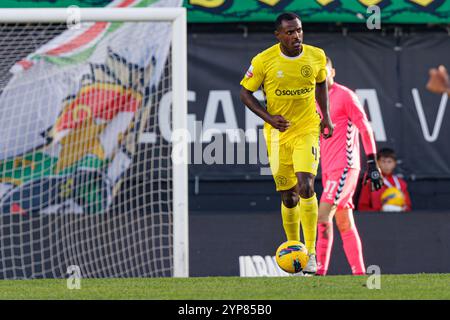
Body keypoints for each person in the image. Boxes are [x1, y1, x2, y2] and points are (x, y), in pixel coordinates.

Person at [239, 12, 334, 275]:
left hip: (306, 129)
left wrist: (326, 116)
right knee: (289, 196)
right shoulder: (263, 60)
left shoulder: (315, 56)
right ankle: (294, 247)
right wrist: (269, 117)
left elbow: (321, 83)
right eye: (290, 32)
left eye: (299, 31)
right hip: (277, 134)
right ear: (278, 35)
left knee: (306, 185)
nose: (296, 36)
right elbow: (245, 93)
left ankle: (312, 253)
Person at [315, 57, 384, 276]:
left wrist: (372, 161)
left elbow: (365, 128)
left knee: (323, 214)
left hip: (345, 166)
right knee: (344, 222)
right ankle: (359, 274)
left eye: (324, 71)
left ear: (332, 71)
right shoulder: (313, 101)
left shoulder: (345, 96)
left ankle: (319, 272)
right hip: (328, 169)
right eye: (317, 72)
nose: (321, 76)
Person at [358, 147, 412, 212]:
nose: (386, 165)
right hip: (376, 219)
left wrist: (401, 210)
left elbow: (408, 207)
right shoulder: (370, 181)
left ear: (394, 163)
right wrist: (380, 211)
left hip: (399, 219)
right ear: (377, 163)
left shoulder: (401, 184)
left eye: (389, 162)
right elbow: (362, 207)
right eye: (383, 161)